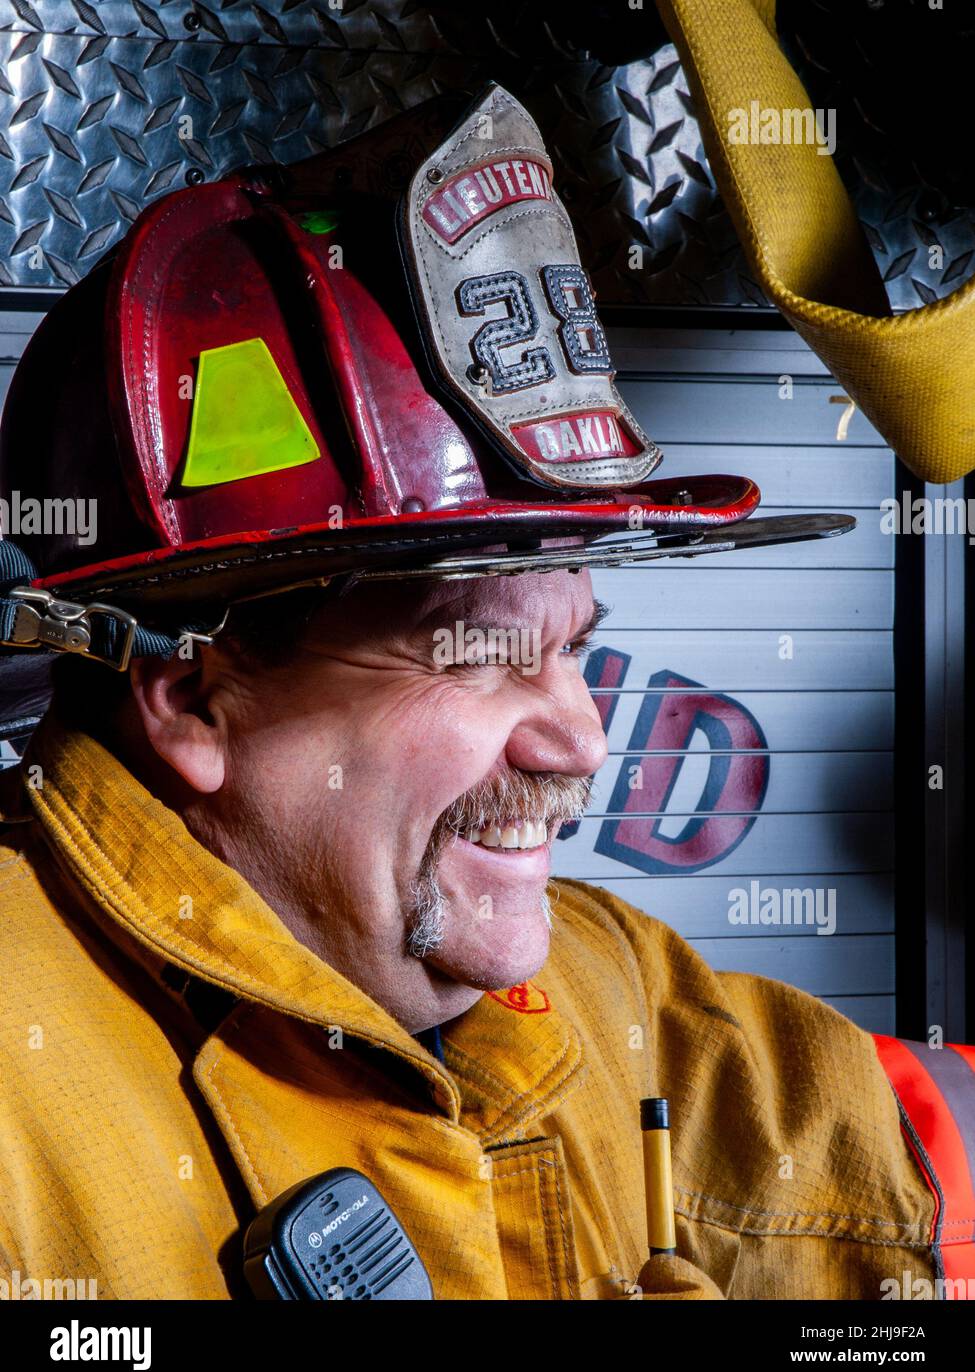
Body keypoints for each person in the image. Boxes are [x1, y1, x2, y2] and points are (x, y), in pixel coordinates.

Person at [0, 84, 969, 1301]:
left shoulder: (608, 979)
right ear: (195, 692)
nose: (582, 741)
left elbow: (899, 1161)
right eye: (477, 650)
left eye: (573, 646)